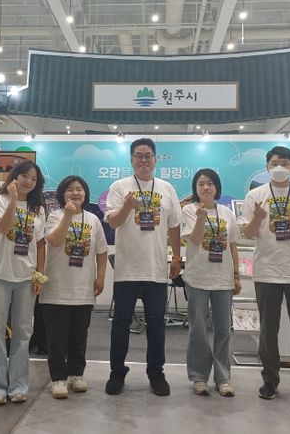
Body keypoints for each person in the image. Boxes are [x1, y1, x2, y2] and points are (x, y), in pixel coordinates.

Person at [241, 146, 290, 403]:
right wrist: (258, 217)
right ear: (267, 166)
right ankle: (270, 381)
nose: (279, 167)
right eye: (274, 163)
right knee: (268, 331)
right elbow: (247, 233)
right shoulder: (255, 195)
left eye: (285, 163)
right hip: (267, 271)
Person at [105, 138, 182, 396]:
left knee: (156, 323)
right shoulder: (119, 187)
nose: (143, 160)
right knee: (121, 322)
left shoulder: (167, 188)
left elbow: (174, 226)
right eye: (138, 155)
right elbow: (113, 223)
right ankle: (117, 372)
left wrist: (176, 257)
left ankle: (156, 373)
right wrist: (128, 206)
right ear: (131, 160)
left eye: (148, 155)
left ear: (156, 159)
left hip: (156, 267)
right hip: (127, 268)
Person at [0, 160, 47, 405]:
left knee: (23, 333)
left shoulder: (38, 209)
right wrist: (12, 200)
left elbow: (40, 244)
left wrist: (40, 275)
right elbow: (3, 228)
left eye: (34, 179)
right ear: (15, 177)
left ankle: (19, 386)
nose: (28, 182)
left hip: (26, 278)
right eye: (25, 176)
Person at [40, 176, 109, 399]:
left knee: (79, 337)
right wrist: (68, 216)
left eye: (80, 189)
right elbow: (54, 241)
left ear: (85, 194)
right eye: (70, 189)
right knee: (57, 338)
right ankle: (58, 378)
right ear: (62, 194)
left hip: (83, 290)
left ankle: (76, 374)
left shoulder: (93, 219)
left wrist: (100, 277)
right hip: (56, 289)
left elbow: (102, 251)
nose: (75, 193)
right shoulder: (55, 216)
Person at [180, 169, 242, 397]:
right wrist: (201, 218)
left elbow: (232, 245)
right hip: (197, 278)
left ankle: (223, 378)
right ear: (195, 188)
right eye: (200, 184)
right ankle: (199, 376)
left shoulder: (227, 213)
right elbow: (196, 240)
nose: (205, 187)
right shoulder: (189, 210)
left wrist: (236, 275)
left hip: (223, 279)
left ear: (217, 187)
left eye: (210, 183)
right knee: (198, 329)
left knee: (223, 329)